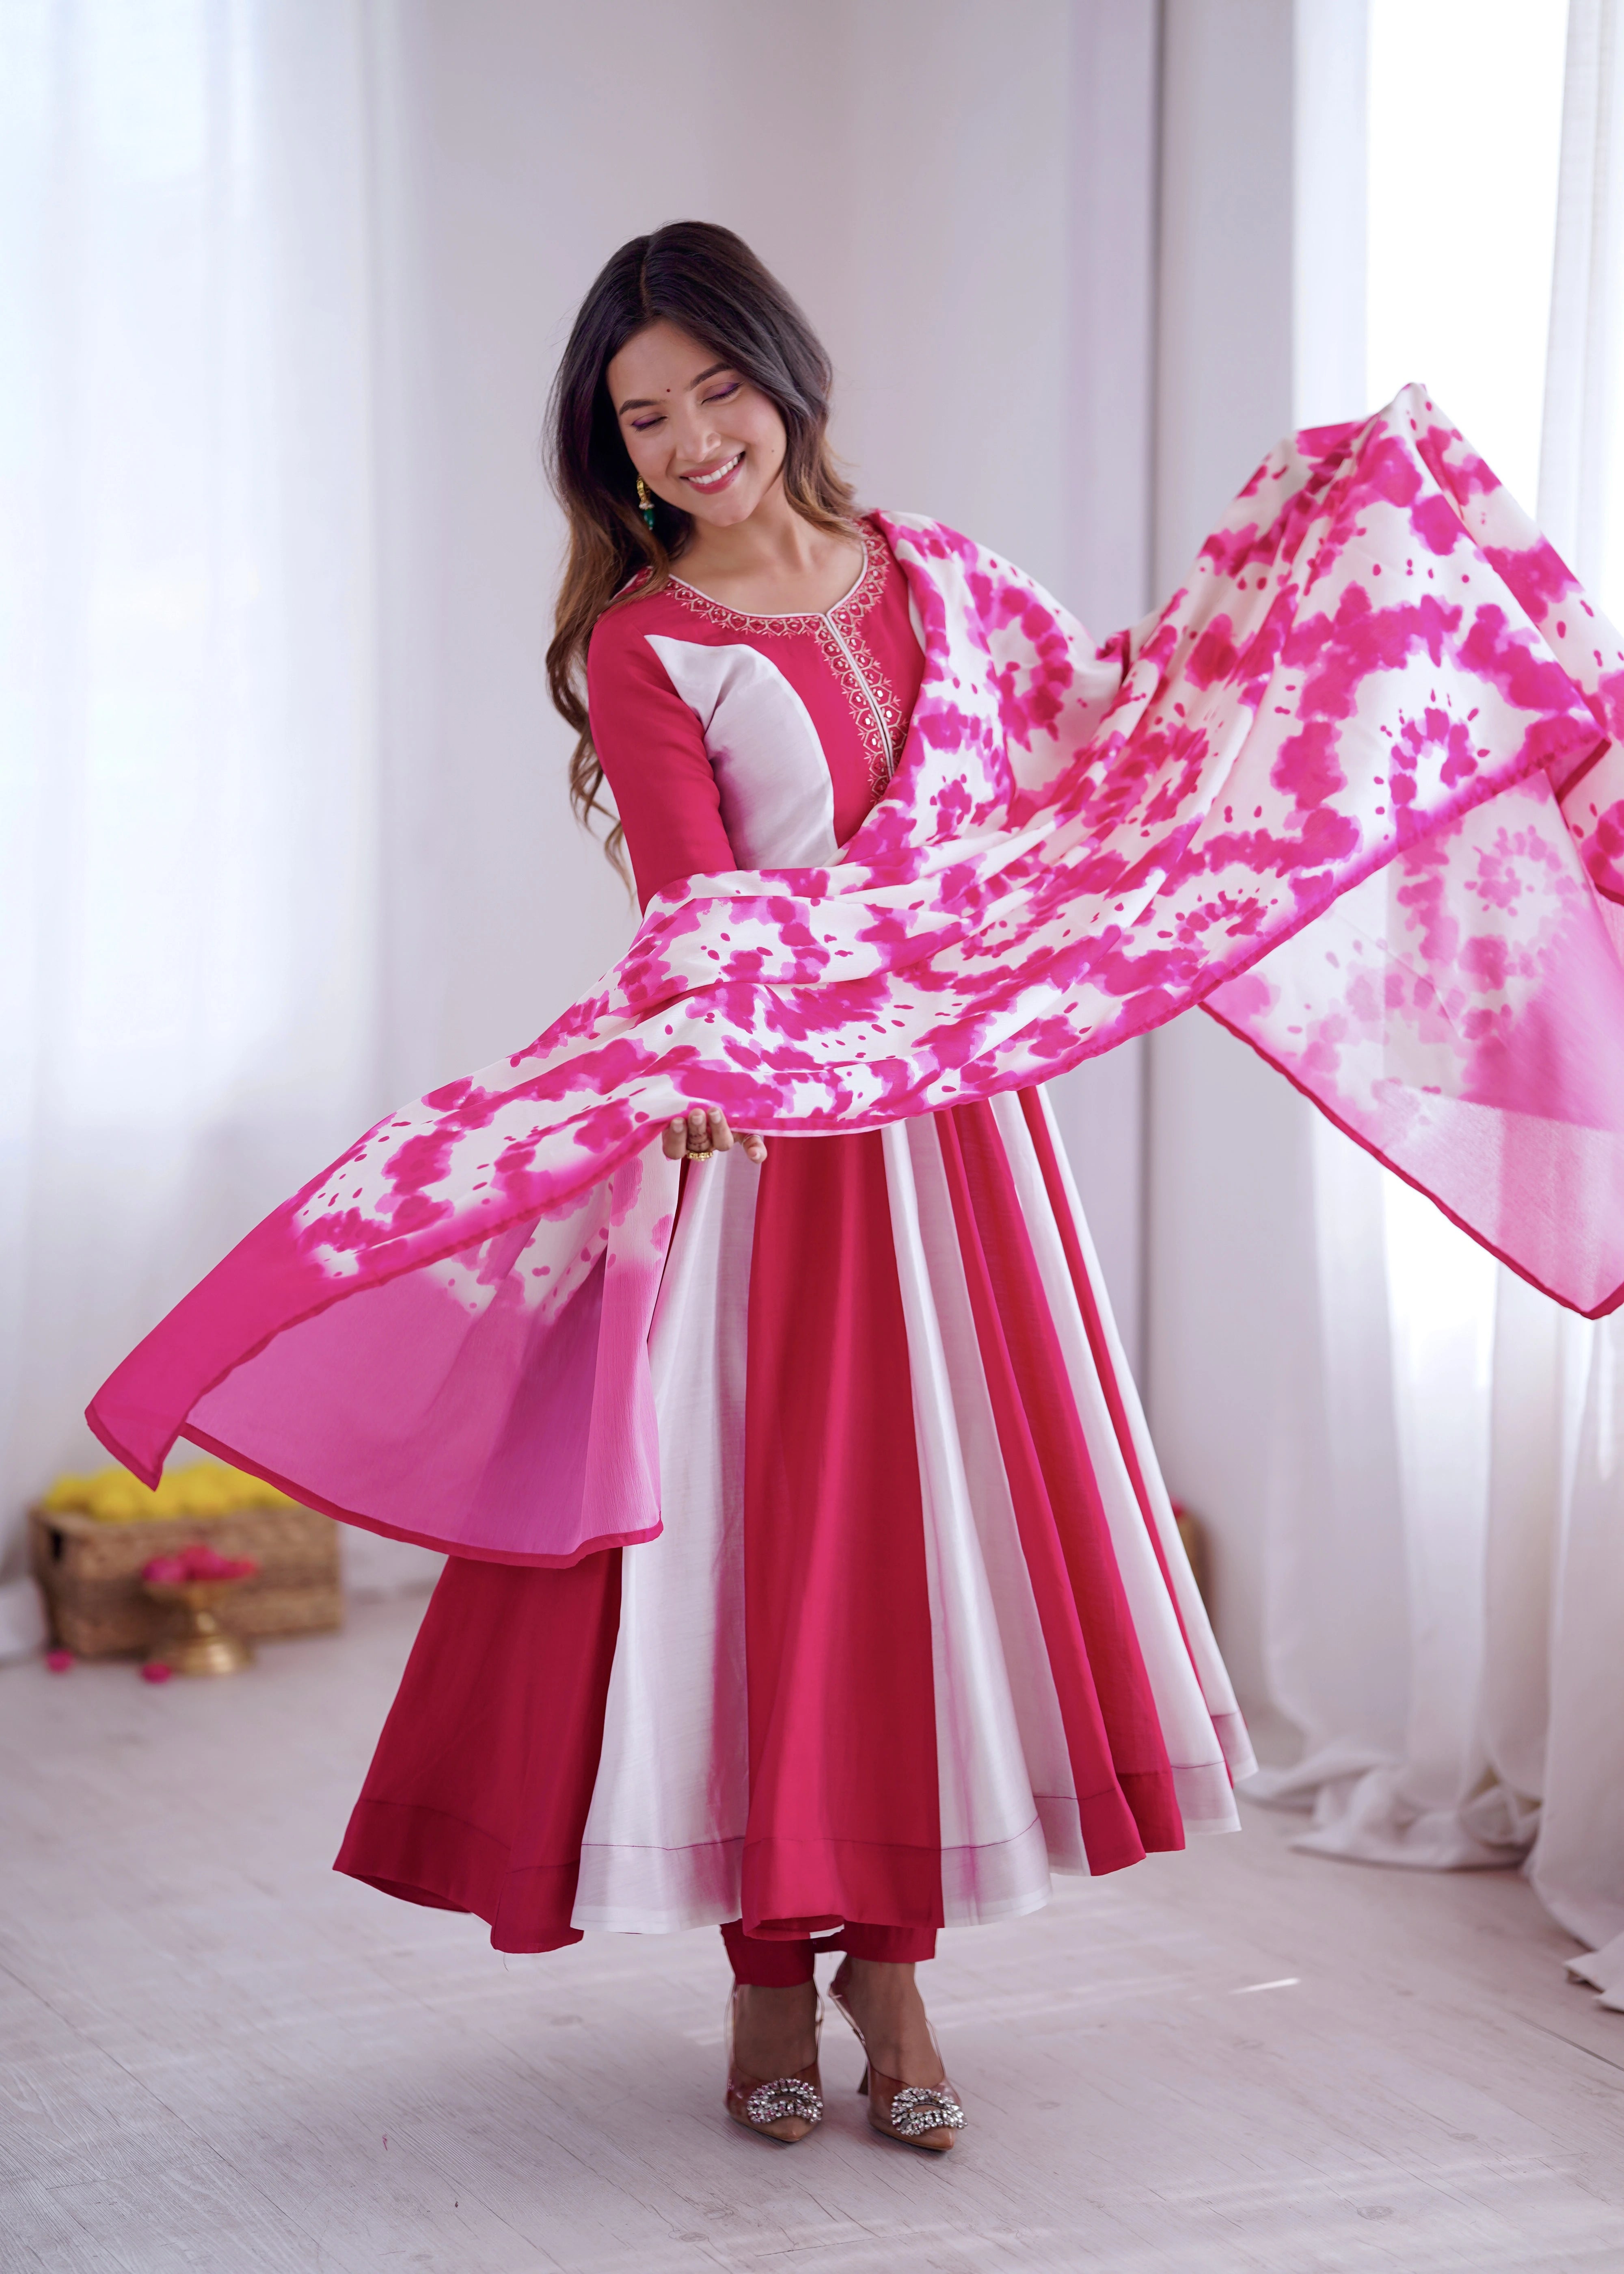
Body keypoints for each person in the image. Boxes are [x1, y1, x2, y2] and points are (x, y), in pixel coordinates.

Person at [328, 222, 1253, 2151]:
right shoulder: (646, 642)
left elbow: (1121, 741)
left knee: (925, 1542)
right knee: (766, 1548)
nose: (687, 441)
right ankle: (766, 1954)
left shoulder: (951, 582)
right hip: (760, 1139)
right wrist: (693, 1073)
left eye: (713, 390)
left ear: (783, 370)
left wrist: (1314, 579)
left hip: (960, 1136)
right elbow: (697, 909)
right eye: (642, 419)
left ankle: (889, 1961)